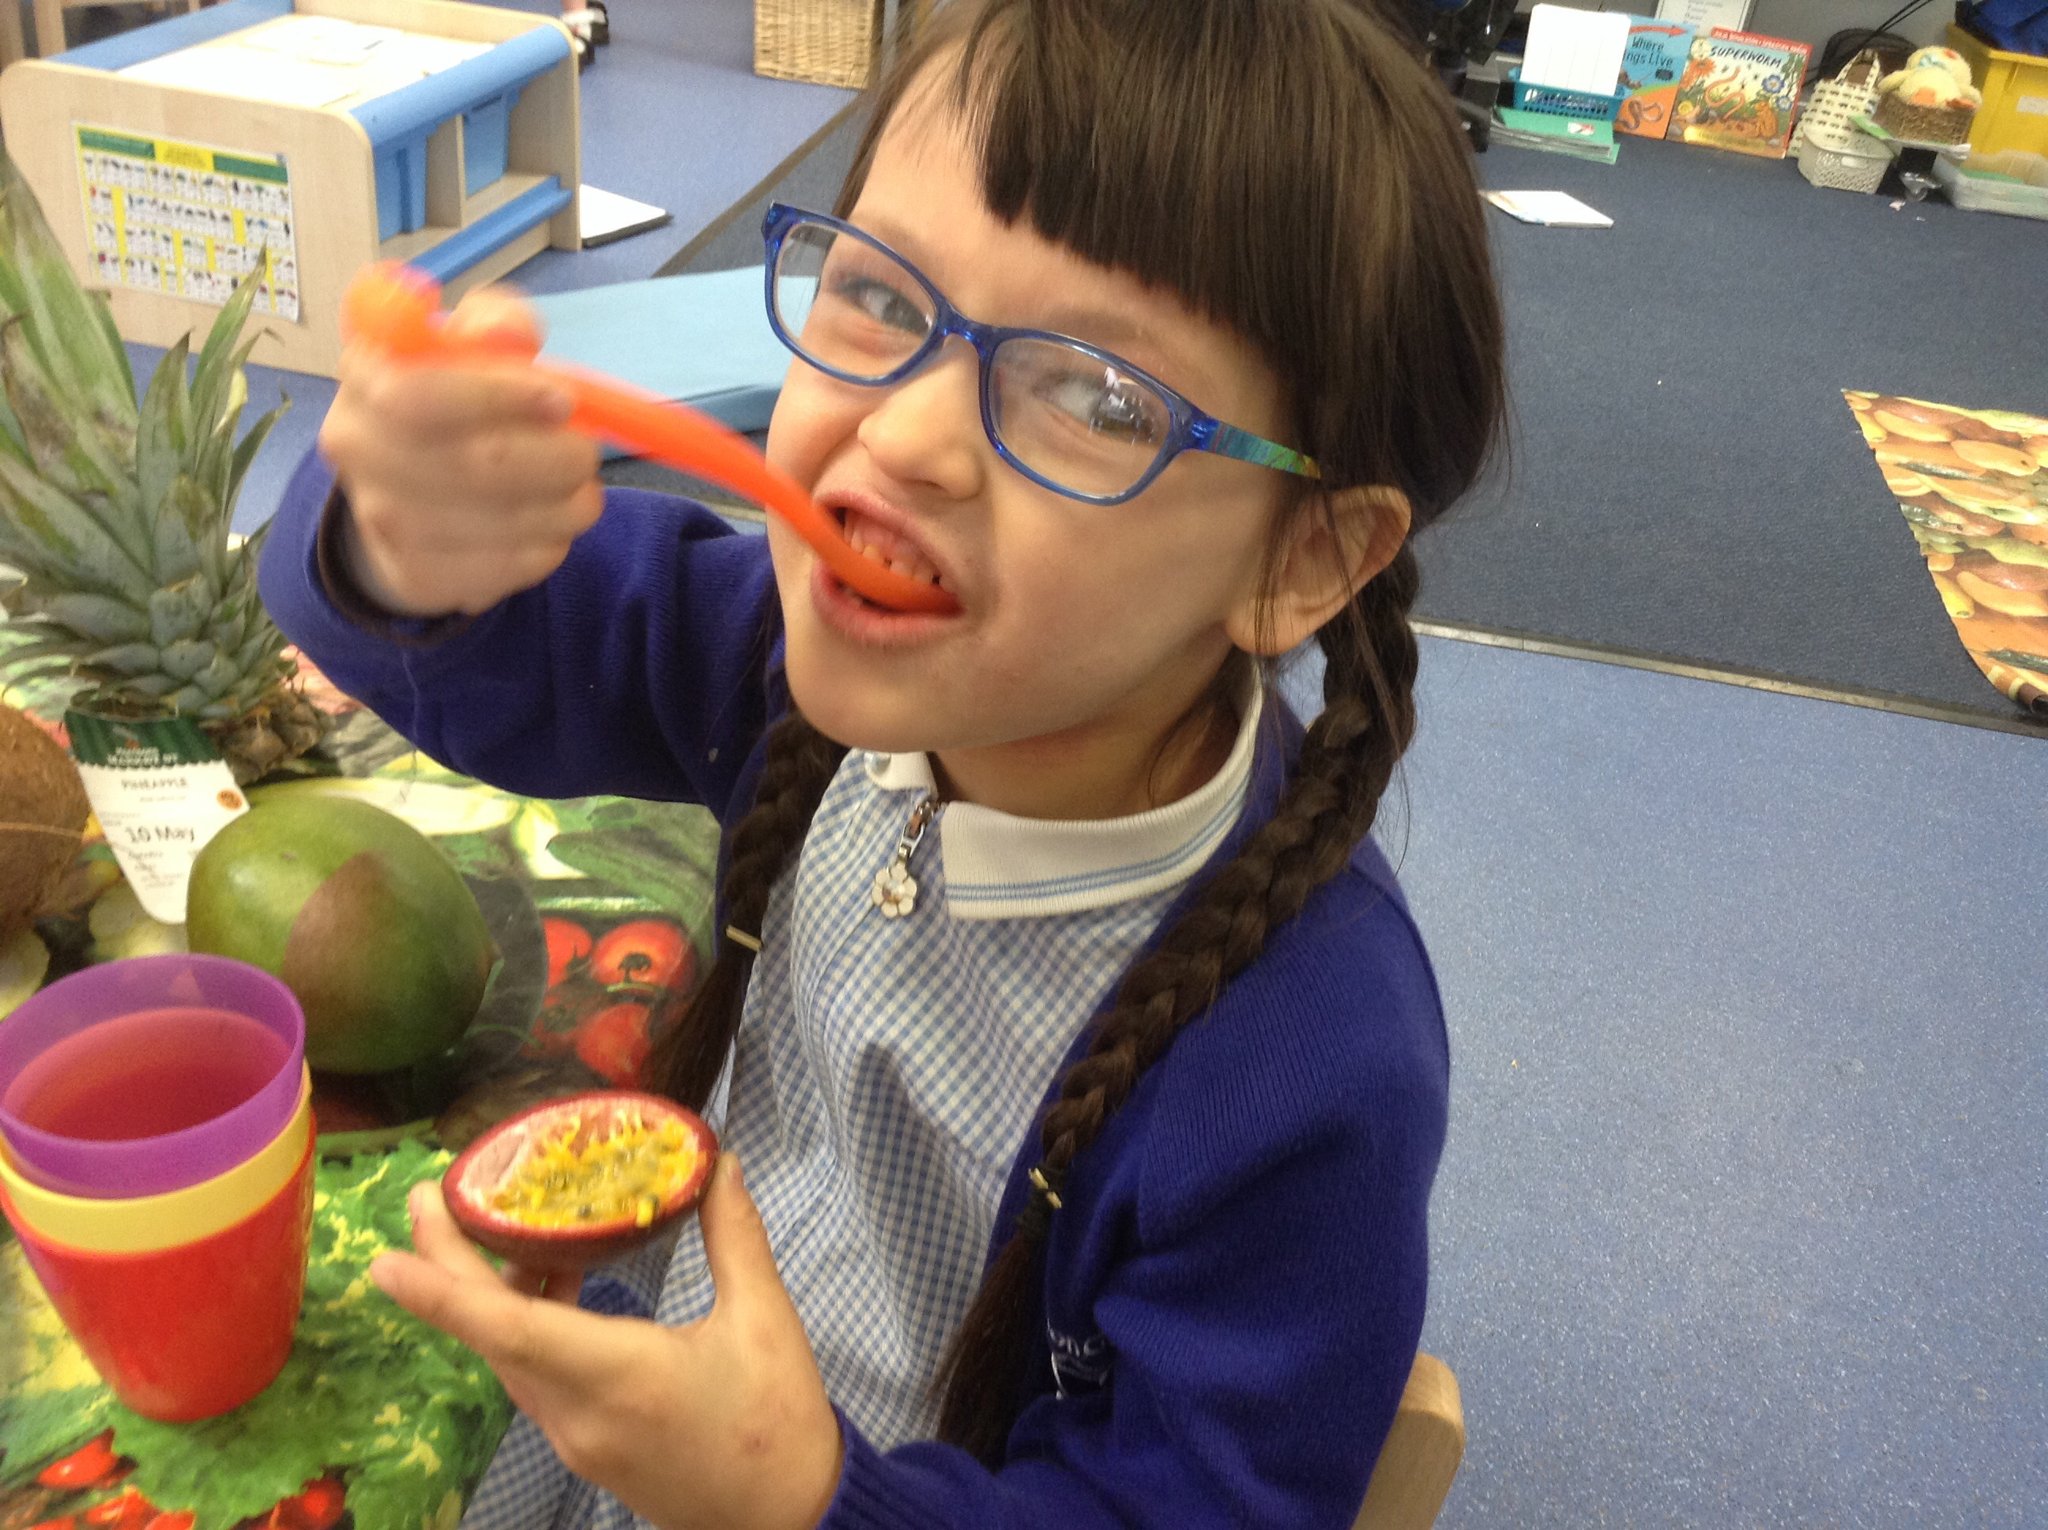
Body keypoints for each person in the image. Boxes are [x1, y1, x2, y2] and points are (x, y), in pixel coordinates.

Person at [257, 0, 1506, 1524]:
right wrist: (400, 531)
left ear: (1303, 557)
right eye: (877, 294)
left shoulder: (1311, 1064)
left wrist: (803, 1495)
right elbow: (472, 627)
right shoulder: (792, 671)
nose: (907, 434)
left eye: (1101, 398)